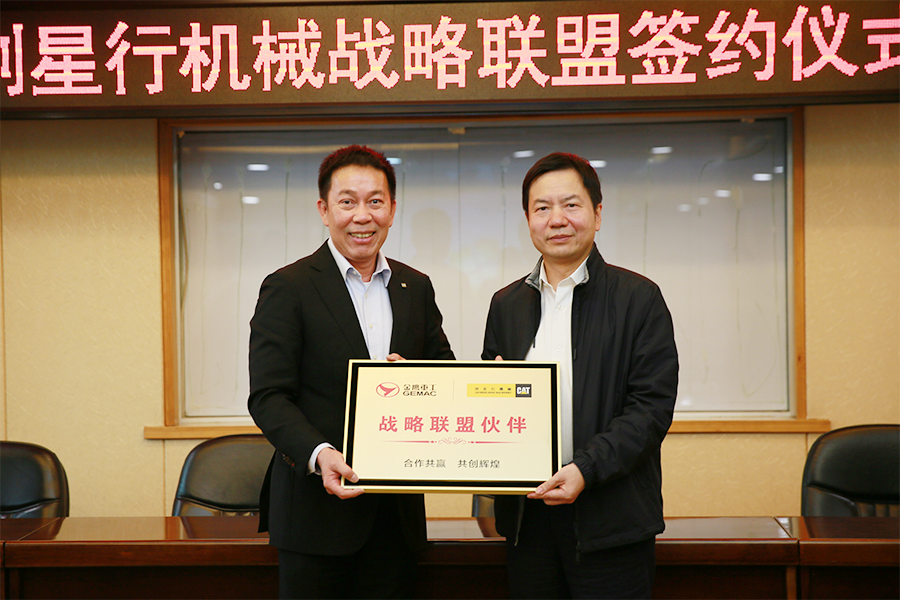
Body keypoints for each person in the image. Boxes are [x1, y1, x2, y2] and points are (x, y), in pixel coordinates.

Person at [248, 145, 454, 600]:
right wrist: (320, 454)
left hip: (395, 522)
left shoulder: (415, 286)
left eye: (375, 201)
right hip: (315, 519)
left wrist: (419, 381)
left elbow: (444, 373)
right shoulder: (289, 287)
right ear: (324, 210)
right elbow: (269, 396)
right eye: (348, 202)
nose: (363, 216)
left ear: (392, 209)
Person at [482, 152, 678, 600]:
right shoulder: (506, 304)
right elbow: (491, 399)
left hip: (611, 520)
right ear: (528, 220)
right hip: (528, 522)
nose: (557, 219)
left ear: (597, 214)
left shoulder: (639, 298)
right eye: (542, 208)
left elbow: (650, 410)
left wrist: (585, 470)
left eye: (571, 205)